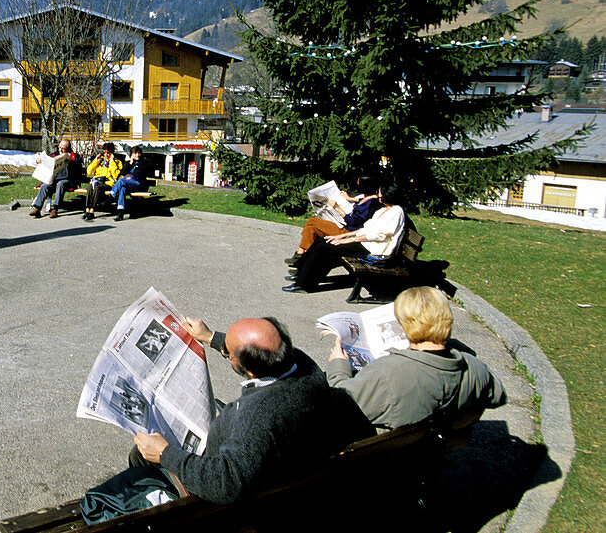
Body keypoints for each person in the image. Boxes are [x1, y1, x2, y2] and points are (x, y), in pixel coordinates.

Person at [130, 317, 353, 505]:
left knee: (140, 455)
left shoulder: (258, 416)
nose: (228, 354)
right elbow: (258, 351)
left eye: (231, 354)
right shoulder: (301, 364)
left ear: (246, 369)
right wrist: (211, 338)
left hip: (226, 489)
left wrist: (165, 454)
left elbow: (225, 483)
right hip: (298, 463)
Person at [327, 286, 507, 431]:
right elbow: (498, 397)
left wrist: (339, 368)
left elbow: (340, 403)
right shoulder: (476, 367)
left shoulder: (387, 373)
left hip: (387, 454)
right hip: (438, 442)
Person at [283, 181, 406, 294]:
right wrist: (344, 235)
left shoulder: (396, 212)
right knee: (323, 241)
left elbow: (379, 235)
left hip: (374, 251)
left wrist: (350, 240)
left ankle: (303, 284)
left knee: (325, 247)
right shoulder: (383, 210)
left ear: (387, 195)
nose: (378, 195)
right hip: (366, 244)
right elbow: (367, 229)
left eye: (380, 193)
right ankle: (301, 274)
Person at [285, 176, 380, 266]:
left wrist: (337, 208)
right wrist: (350, 199)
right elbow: (362, 200)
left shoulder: (371, 203)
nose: (357, 185)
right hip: (346, 227)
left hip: (349, 231)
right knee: (312, 224)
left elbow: (353, 222)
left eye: (359, 183)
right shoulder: (368, 198)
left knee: (313, 225)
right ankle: (301, 255)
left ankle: (303, 259)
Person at [29, 139, 81, 218]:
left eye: (63, 148)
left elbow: (79, 169)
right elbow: (47, 162)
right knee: (44, 186)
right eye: (59, 147)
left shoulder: (75, 156)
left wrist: (71, 163)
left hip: (67, 181)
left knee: (61, 184)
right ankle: (37, 209)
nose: (60, 149)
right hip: (53, 180)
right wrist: (38, 161)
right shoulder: (54, 155)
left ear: (68, 148)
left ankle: (55, 209)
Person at [82, 142, 122, 221]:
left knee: (97, 188)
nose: (106, 155)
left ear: (112, 152)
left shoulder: (117, 162)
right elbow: (89, 172)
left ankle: (92, 210)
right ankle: (87, 210)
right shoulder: (101, 161)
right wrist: (96, 161)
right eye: (104, 152)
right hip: (97, 180)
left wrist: (112, 161)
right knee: (90, 187)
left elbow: (115, 175)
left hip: (108, 182)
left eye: (108, 153)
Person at [110, 146, 151, 221]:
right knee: (122, 189)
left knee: (120, 181)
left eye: (138, 153)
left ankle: (112, 194)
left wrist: (130, 174)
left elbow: (139, 174)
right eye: (135, 153)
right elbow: (122, 173)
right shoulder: (129, 163)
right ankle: (120, 212)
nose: (137, 155)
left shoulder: (143, 162)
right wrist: (130, 164)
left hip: (139, 184)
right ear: (131, 155)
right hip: (129, 184)